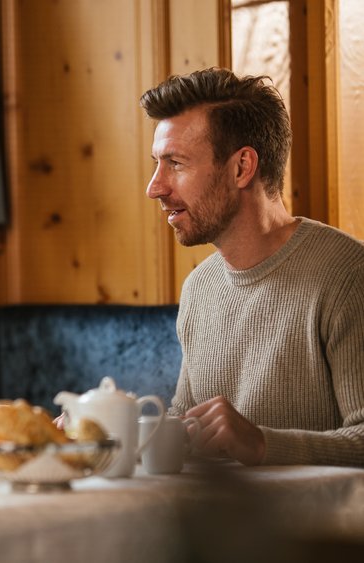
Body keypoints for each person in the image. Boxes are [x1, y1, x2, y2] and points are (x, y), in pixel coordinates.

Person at [140, 67, 364, 467]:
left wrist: (262, 444)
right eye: (157, 163)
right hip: (221, 527)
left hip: (323, 530)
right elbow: (186, 421)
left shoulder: (348, 276)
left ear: (242, 167)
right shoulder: (199, 288)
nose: (155, 187)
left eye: (175, 163)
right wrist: (109, 431)